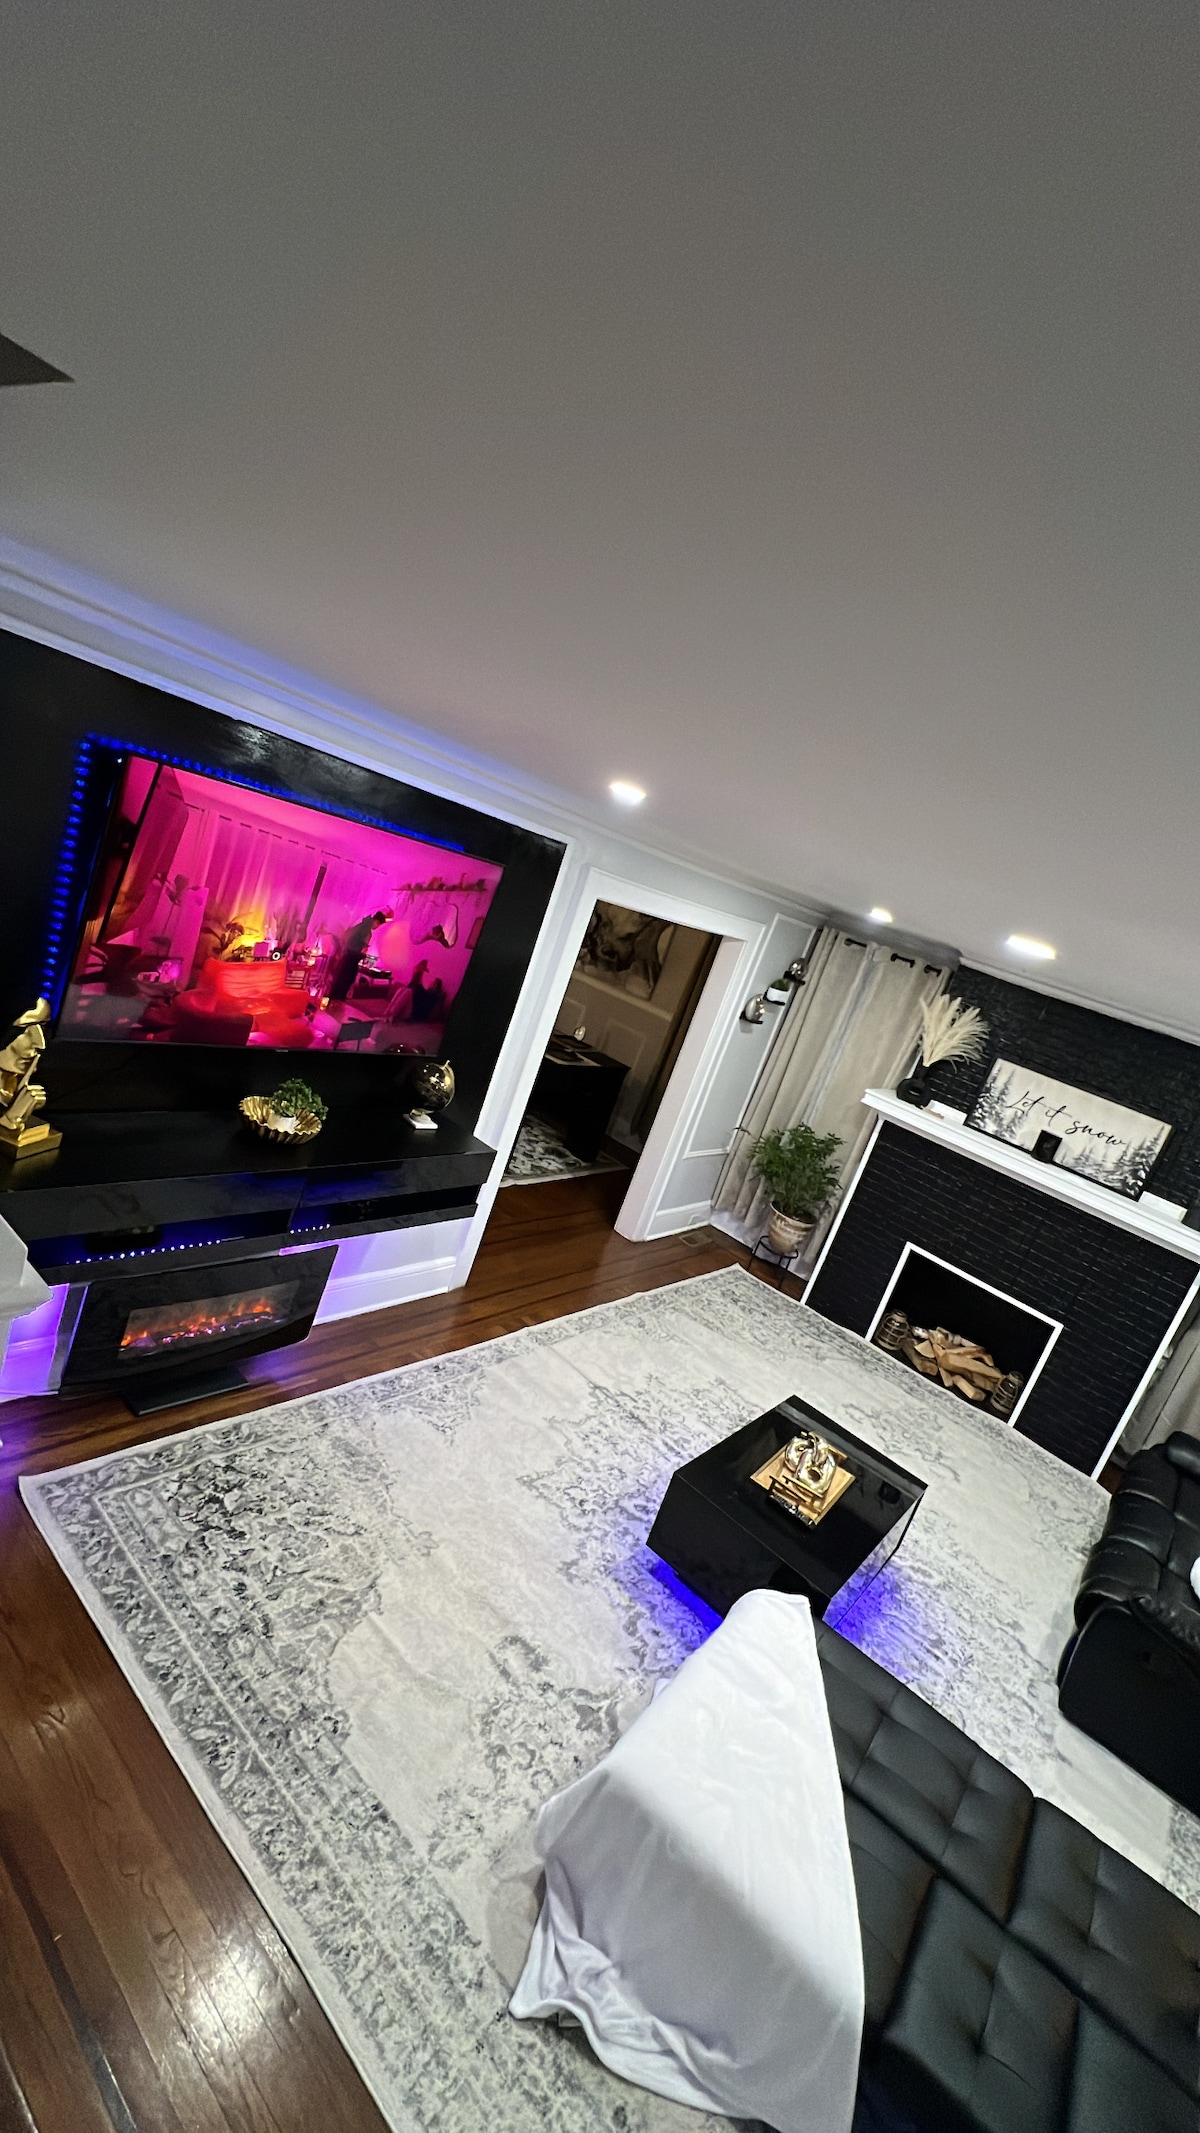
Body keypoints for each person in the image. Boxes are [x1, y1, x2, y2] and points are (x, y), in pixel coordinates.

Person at [327, 911, 391, 1003]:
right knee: (346, 980)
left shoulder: (360, 925)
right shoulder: (367, 931)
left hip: (346, 955)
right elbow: (363, 948)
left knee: (340, 979)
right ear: (376, 922)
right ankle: (338, 1002)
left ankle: (332, 1000)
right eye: (378, 925)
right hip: (352, 958)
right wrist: (363, 954)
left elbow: (348, 936)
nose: (376, 928)